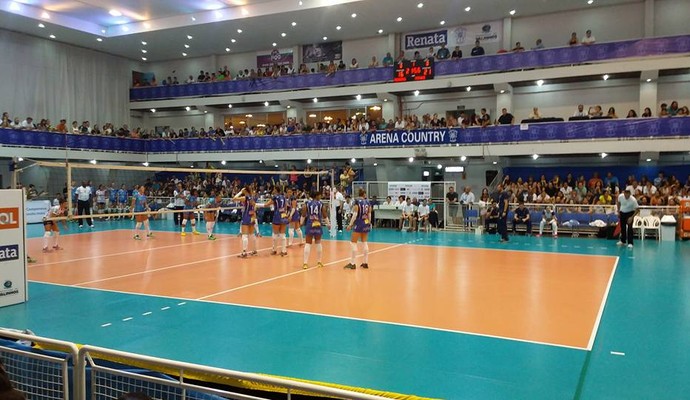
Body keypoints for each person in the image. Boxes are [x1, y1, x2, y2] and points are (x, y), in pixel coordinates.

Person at [344, 188, 372, 269]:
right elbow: (369, 213)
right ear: (364, 194)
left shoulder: (357, 201)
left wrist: (350, 224)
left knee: (353, 242)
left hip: (359, 223)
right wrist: (369, 222)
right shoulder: (368, 202)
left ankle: (352, 263)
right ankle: (365, 262)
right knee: (364, 242)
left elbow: (355, 214)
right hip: (366, 222)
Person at [302, 191, 330, 269]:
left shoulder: (307, 203)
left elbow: (303, 214)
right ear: (317, 196)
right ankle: (319, 262)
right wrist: (328, 224)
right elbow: (325, 215)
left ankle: (305, 263)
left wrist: (301, 222)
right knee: (318, 243)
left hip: (310, 224)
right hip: (318, 224)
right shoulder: (321, 204)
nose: (320, 197)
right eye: (320, 195)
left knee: (308, 243)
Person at [235, 186, 259, 258]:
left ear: (245, 191)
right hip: (251, 216)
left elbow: (234, 198)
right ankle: (254, 250)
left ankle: (244, 252)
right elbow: (255, 206)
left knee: (244, 235)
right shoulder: (252, 198)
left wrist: (240, 192)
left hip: (246, 217)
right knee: (252, 234)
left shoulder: (245, 198)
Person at [265, 186, 289, 256]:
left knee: (275, 234)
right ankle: (284, 251)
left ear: (275, 190)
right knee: (283, 234)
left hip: (277, 215)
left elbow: (267, 204)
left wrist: (257, 205)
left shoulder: (275, 197)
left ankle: (274, 250)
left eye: (273, 189)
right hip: (283, 214)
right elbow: (285, 206)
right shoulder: (284, 197)